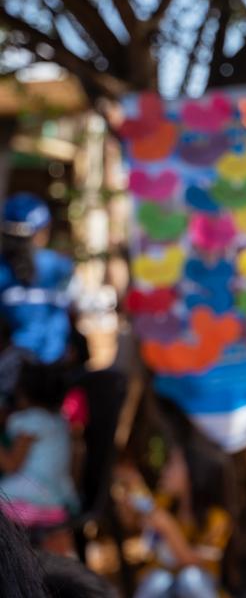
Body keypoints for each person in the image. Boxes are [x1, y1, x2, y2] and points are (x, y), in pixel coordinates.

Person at [119, 400, 236, 598]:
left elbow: (193, 562)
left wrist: (167, 526)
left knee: (191, 579)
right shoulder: (165, 501)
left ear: (193, 474)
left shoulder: (217, 519)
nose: (165, 469)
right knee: (157, 580)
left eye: (173, 464)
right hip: (164, 583)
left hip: (199, 588)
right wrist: (130, 486)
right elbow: (142, 507)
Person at [0, 359, 79, 551]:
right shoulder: (59, 420)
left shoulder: (29, 422)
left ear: (24, 395)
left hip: (33, 504)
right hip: (58, 502)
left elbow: (11, 465)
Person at [0, 193, 75, 365]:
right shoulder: (60, 266)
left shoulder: (3, 270)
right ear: (42, 231)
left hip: (13, 368)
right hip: (55, 366)